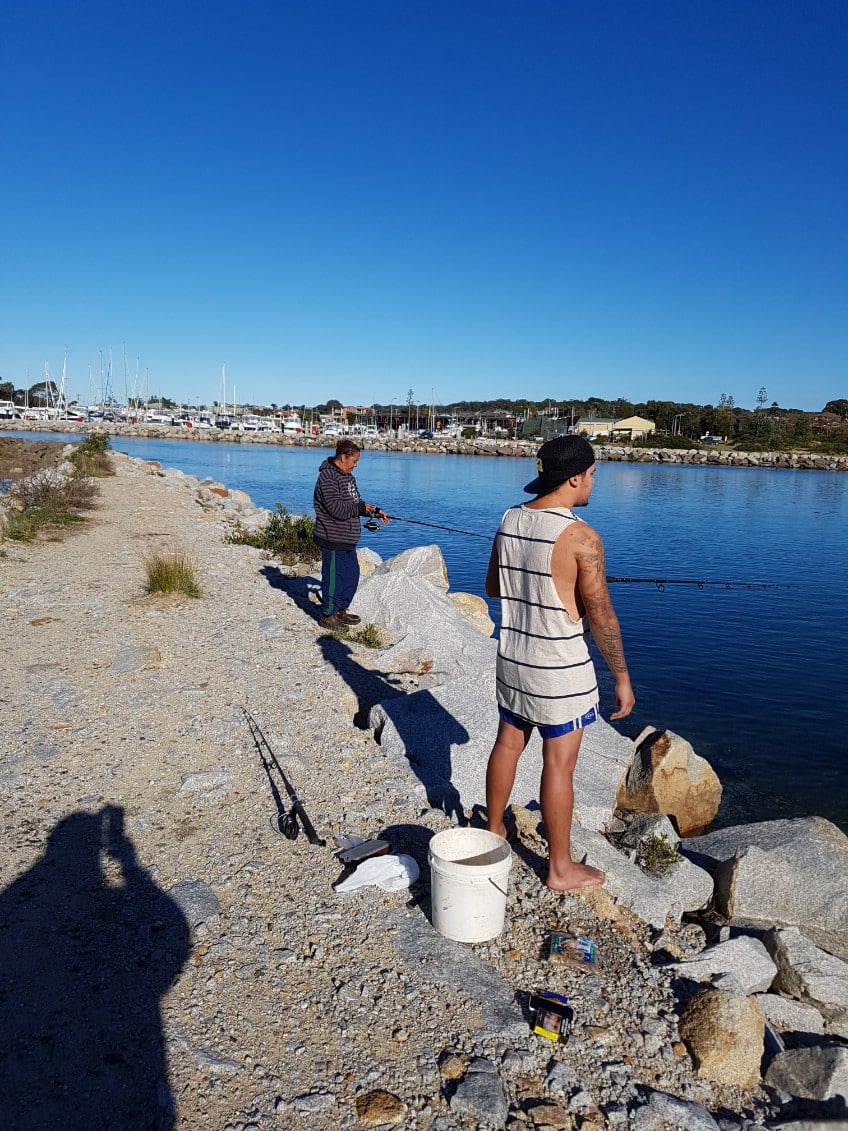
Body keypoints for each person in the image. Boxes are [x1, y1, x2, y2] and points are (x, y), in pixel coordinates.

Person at [484, 434, 635, 890]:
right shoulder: (582, 537)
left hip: (513, 658)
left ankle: (494, 830)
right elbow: (602, 613)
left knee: (508, 744)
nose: (593, 483)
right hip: (559, 671)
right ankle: (559, 868)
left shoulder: (510, 518)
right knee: (559, 765)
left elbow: (493, 586)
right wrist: (622, 676)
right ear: (574, 477)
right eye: (592, 475)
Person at [313, 439, 388, 629]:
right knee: (333, 579)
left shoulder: (348, 478)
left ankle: (340, 611)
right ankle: (328, 615)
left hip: (348, 539)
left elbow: (355, 503)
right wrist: (359, 507)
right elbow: (336, 509)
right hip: (332, 538)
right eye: (354, 461)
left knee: (351, 576)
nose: (356, 465)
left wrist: (373, 511)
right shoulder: (327, 478)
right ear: (343, 457)